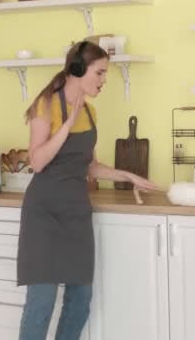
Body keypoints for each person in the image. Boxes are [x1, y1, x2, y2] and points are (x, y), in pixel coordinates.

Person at [16, 41, 157, 340]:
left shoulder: (91, 112)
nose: (104, 81)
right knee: (40, 304)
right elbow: (37, 161)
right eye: (100, 73)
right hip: (44, 214)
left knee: (80, 302)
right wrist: (66, 124)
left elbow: (88, 165)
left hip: (76, 213)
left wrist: (126, 174)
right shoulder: (47, 105)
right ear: (78, 70)